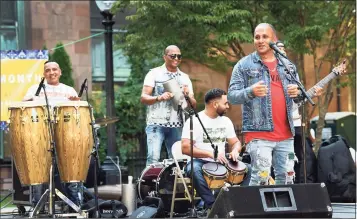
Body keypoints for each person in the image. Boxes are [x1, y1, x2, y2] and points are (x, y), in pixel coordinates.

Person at [227, 23, 302, 186]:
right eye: (257, 37)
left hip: (286, 134)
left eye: (264, 37)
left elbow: (300, 98)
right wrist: (250, 91)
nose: (260, 40)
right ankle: (255, 211)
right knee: (261, 177)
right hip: (258, 134)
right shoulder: (244, 65)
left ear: (274, 40)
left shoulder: (287, 66)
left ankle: (283, 212)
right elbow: (231, 97)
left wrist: (298, 94)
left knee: (287, 178)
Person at [23, 61, 82, 208]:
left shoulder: (68, 90)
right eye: (48, 70)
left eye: (54, 69)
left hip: (65, 134)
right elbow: (23, 106)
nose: (51, 72)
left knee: (71, 168)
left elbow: (78, 115)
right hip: (40, 135)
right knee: (38, 168)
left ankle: (75, 206)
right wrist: (27, 100)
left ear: (60, 72)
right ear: (44, 74)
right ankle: (37, 207)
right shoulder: (35, 89)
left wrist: (77, 102)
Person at [182, 88, 251, 210]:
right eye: (225, 103)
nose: (228, 106)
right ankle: (213, 206)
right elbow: (185, 148)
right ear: (215, 104)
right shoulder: (195, 121)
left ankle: (240, 203)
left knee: (249, 169)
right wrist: (210, 154)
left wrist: (235, 150)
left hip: (221, 161)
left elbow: (235, 142)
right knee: (194, 169)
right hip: (200, 161)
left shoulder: (226, 121)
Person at [141, 45, 196, 165]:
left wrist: (188, 95)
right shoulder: (154, 74)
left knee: (177, 160)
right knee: (153, 158)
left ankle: (173, 184)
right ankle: (148, 184)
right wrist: (159, 97)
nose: (176, 58)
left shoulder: (184, 78)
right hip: (156, 123)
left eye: (179, 56)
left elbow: (193, 105)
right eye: (173, 56)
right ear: (165, 57)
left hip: (176, 124)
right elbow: (144, 97)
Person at [276, 41, 323, 183]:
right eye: (278, 49)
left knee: (299, 157)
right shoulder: (269, 73)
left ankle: (298, 185)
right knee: (280, 158)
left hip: (295, 124)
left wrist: (312, 94)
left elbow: (298, 100)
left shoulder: (291, 72)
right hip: (279, 125)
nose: (282, 51)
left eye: (283, 49)